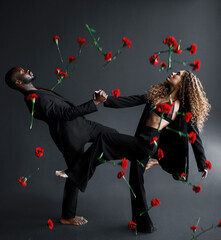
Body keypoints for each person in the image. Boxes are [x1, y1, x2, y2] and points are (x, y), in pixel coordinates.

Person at [56, 70, 211, 233]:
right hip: (141, 140)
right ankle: (144, 225)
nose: (173, 73)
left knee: (105, 138)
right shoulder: (157, 95)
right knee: (136, 183)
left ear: (183, 83)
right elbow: (130, 100)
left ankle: (76, 173)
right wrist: (106, 100)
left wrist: (203, 164)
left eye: (178, 74)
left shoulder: (181, 106)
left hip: (147, 144)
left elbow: (194, 136)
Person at [5, 67, 118, 226]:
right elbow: (66, 115)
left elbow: (65, 110)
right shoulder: (35, 101)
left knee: (113, 136)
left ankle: (78, 169)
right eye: (23, 71)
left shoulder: (39, 91)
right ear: (18, 82)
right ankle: (67, 216)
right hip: (70, 136)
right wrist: (95, 103)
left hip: (82, 125)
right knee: (74, 180)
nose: (28, 70)